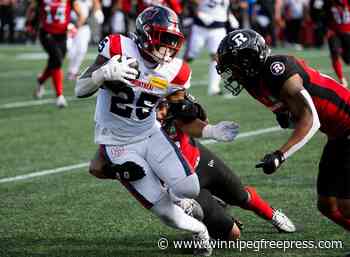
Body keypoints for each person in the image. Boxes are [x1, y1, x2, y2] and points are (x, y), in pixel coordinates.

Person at [75, 6, 239, 256]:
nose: (169, 48)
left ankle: (179, 200)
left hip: (151, 134)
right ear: (146, 34)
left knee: (190, 188)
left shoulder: (178, 71)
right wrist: (101, 75)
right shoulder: (119, 47)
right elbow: (80, 89)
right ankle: (199, 231)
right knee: (163, 211)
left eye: (174, 41)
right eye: (165, 39)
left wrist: (210, 129)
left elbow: (181, 113)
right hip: (118, 144)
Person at [89, 96, 296, 240]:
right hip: (182, 190)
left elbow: (196, 122)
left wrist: (209, 127)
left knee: (241, 196)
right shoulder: (124, 131)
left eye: (161, 106)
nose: (160, 114)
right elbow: (96, 167)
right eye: (155, 108)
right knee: (233, 235)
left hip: (201, 162)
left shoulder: (170, 105)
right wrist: (119, 172)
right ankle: (213, 219)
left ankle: (271, 214)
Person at [216, 28, 350, 232]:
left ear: (248, 61)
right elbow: (295, 118)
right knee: (327, 206)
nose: (231, 73)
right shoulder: (254, 83)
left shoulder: (276, 69)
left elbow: (311, 118)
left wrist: (280, 154)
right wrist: (287, 118)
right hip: (337, 135)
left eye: (233, 67)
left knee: (345, 205)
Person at [26, 0, 83, 107]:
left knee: (55, 61)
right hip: (47, 33)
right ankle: (59, 96)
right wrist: (28, 24)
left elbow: (81, 15)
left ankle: (41, 80)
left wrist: (75, 27)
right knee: (56, 60)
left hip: (62, 35)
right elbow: (31, 9)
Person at [183, 0, 237, 96]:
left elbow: (228, 5)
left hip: (219, 28)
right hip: (200, 27)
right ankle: (175, 79)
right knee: (189, 57)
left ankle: (214, 88)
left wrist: (229, 15)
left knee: (217, 57)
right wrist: (197, 12)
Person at [67, 0, 104, 80]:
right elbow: (81, 16)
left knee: (82, 50)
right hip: (71, 26)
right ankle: (71, 70)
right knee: (70, 51)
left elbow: (96, 3)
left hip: (83, 27)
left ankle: (73, 71)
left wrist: (98, 10)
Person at [320, 0, 350, 87]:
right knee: (334, 52)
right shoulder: (328, 3)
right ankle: (341, 79)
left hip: (347, 32)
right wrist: (326, 29)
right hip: (334, 32)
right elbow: (323, 16)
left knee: (347, 60)